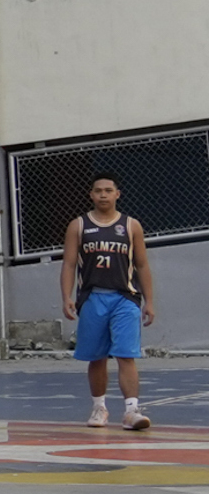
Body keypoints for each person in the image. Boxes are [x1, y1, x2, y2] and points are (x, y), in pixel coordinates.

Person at [63, 174, 155, 433]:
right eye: (98, 191)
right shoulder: (79, 226)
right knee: (97, 356)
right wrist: (66, 297)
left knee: (126, 354)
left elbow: (142, 264)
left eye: (108, 190)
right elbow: (69, 264)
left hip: (125, 297)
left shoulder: (131, 225)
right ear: (91, 195)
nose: (103, 195)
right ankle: (99, 406)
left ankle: (131, 410)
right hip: (93, 297)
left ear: (117, 194)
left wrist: (149, 301)